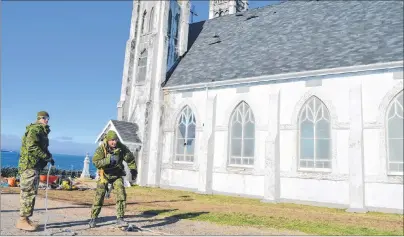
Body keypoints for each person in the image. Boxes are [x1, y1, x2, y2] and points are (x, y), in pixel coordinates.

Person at [89, 130, 137, 228]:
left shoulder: (121, 147)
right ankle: (93, 218)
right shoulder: (101, 149)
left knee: (121, 195)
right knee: (99, 196)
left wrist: (133, 170)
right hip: (104, 176)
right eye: (112, 140)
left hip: (117, 175)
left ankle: (120, 219)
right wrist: (108, 160)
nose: (114, 142)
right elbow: (95, 162)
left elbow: (130, 158)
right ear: (107, 140)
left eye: (115, 140)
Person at [16, 111, 55, 231]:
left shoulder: (41, 131)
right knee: (28, 192)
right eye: (45, 118)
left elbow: (42, 147)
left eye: (48, 118)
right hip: (29, 166)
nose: (47, 120)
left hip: (34, 166)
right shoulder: (35, 130)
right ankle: (22, 220)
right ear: (39, 118)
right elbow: (31, 146)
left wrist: (49, 156)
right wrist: (45, 156)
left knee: (31, 192)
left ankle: (26, 219)